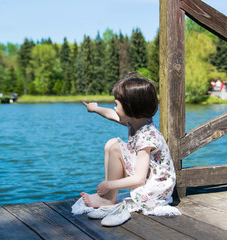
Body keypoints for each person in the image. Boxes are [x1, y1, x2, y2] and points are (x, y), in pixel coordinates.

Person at [71, 72, 181, 227]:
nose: (114, 108)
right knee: (111, 144)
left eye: (117, 104)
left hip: (154, 189)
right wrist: (95, 108)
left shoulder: (146, 137)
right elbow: (111, 114)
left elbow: (138, 179)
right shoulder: (137, 121)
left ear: (131, 108)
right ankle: (109, 198)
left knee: (115, 146)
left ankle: (108, 198)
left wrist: (109, 185)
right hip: (151, 178)